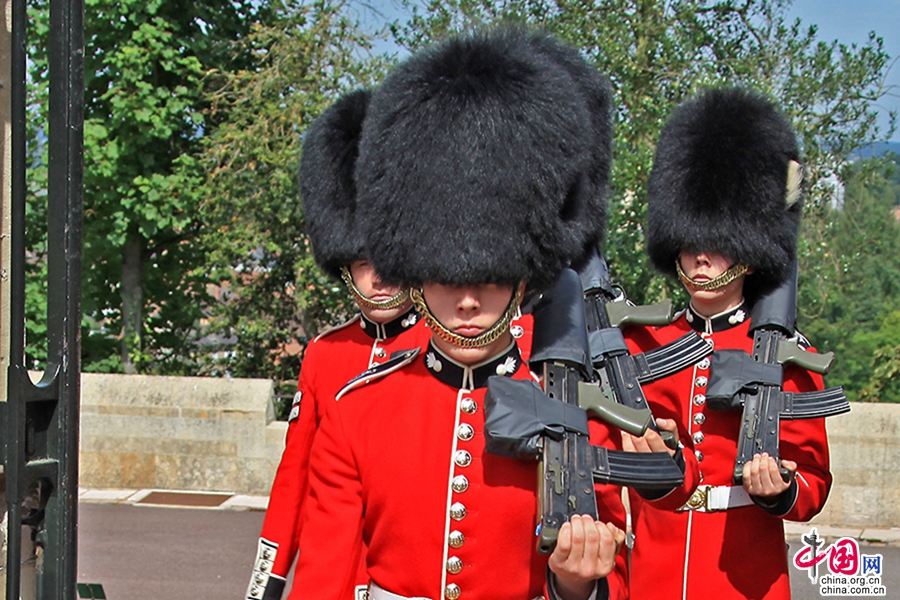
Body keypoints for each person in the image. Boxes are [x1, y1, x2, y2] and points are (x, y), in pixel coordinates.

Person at [289, 27, 630, 600]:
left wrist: (575, 585)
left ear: (526, 277)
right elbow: (322, 581)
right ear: (417, 275)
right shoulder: (356, 413)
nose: (469, 302)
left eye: (491, 279)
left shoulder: (577, 412)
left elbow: (614, 578)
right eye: (449, 280)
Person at [622, 87, 832, 600]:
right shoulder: (642, 341)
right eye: (690, 243)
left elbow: (813, 479)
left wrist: (782, 489)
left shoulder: (783, 350)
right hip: (655, 565)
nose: (699, 259)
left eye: (716, 245)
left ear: (748, 250)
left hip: (744, 570)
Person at [245, 89, 433, 600]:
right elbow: (294, 480)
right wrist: (266, 583)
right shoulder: (326, 355)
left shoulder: (443, 351)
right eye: (362, 261)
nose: (378, 279)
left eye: (388, 259)